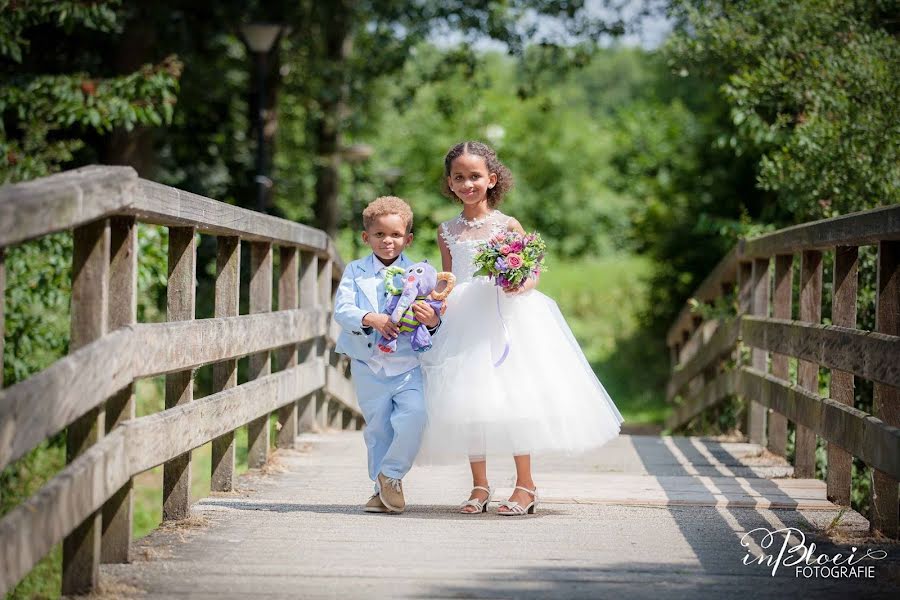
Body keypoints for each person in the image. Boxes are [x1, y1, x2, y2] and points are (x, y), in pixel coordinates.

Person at [417, 141, 625, 516]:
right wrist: (431, 306)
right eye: (459, 178)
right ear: (449, 183)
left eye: (475, 176)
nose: (468, 184)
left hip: (505, 314)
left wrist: (518, 285)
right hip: (464, 317)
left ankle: (525, 485)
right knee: (468, 399)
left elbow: (531, 270)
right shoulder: (446, 230)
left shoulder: (506, 224)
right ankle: (479, 485)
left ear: (492, 179)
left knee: (514, 397)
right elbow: (448, 278)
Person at [333, 196, 442, 514]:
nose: (388, 241)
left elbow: (435, 317)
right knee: (378, 427)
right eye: (379, 235)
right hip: (368, 363)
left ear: (407, 239)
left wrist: (431, 319)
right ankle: (378, 490)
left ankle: (391, 474)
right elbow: (343, 310)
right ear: (366, 237)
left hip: (408, 363)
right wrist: (371, 318)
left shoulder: (421, 274)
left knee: (415, 416)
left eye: (395, 235)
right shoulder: (355, 271)